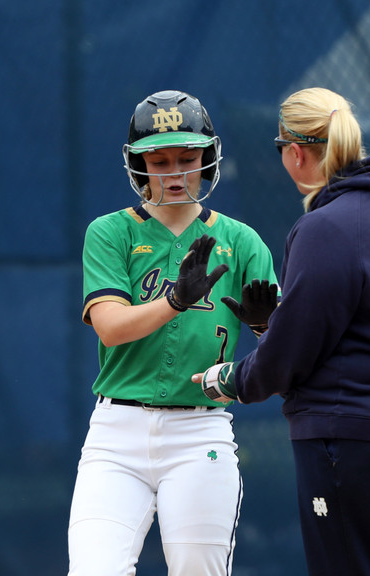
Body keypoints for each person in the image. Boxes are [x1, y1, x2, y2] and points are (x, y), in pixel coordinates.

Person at [194, 87, 370, 576]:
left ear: (295, 152)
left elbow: (293, 352)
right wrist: (269, 327)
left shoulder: (326, 227)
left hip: (357, 442)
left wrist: (232, 379)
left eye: (280, 148)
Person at [68, 90, 278, 576]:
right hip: (116, 433)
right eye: (159, 161)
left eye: (188, 158)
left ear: (208, 159)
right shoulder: (110, 232)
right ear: (137, 166)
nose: (176, 172)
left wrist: (268, 325)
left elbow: (287, 351)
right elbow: (110, 327)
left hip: (199, 428)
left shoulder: (242, 241)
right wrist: (174, 301)